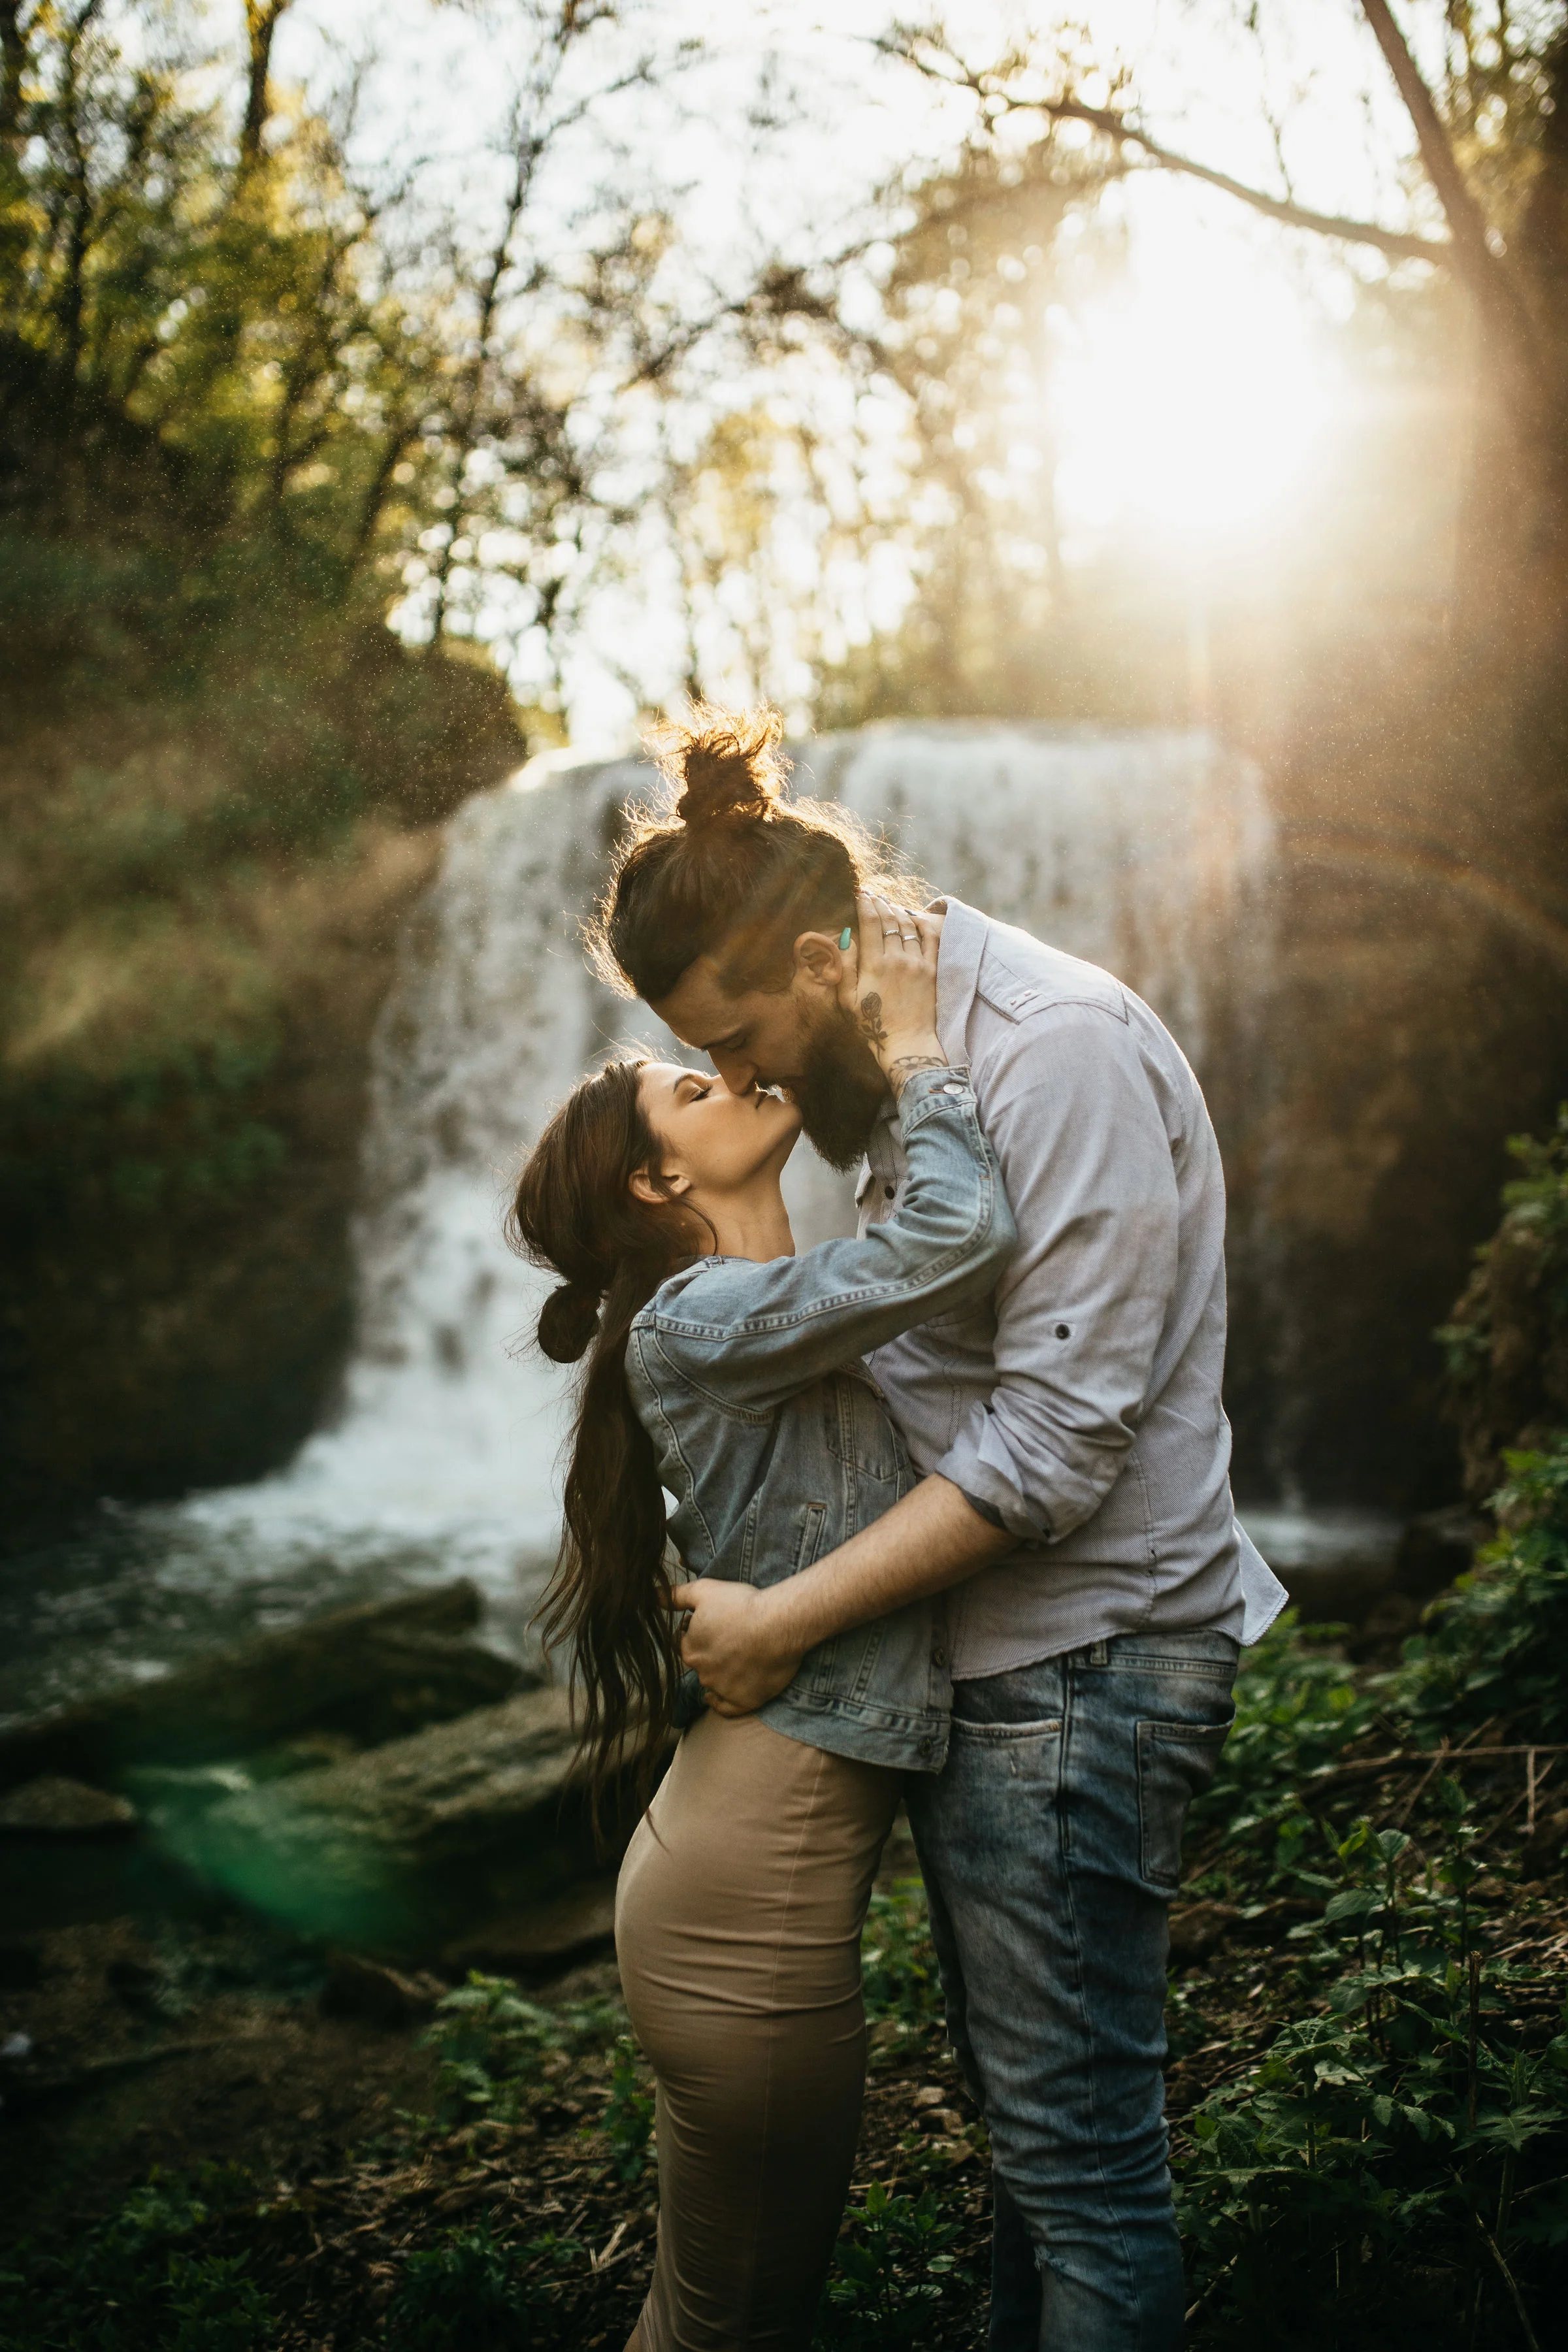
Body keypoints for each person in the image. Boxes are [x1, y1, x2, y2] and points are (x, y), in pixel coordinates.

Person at [588, 700, 1288, 2352]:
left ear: (830, 959)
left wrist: (787, 1615)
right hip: (1001, 1672)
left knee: (1085, 2178)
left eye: (745, 1040)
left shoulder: (1050, 1056)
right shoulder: (893, 1066)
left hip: (1082, 1667)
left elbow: (1051, 1448)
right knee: (1033, 2173)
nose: (744, 1081)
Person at [506, 768, 1017, 2347]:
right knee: (738, 2327)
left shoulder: (738, 1320)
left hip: (729, 1875)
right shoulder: (707, 1317)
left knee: (715, 2315)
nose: (727, 1079)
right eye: (691, 1089)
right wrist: (919, 1053)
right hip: (750, 1906)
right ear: (665, 1185)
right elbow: (953, 1242)